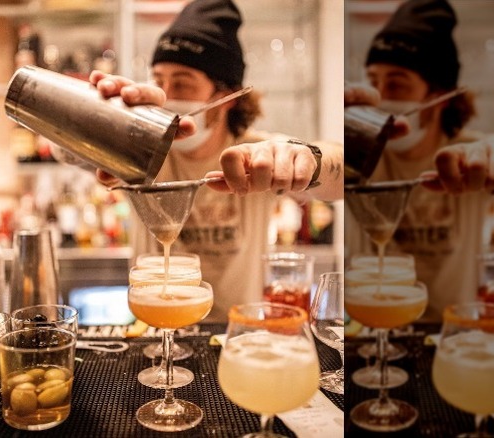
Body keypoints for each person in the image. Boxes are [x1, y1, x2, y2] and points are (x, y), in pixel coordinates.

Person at [63, 0, 344, 322]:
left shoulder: (256, 155)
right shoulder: (134, 151)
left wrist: (312, 159)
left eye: (182, 83)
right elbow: (63, 149)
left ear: (225, 97)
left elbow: (347, 170)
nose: (167, 95)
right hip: (154, 331)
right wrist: (98, 116)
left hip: (236, 335)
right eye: (158, 81)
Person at [346, 0, 494, 321]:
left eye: (397, 83)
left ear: (438, 96)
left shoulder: (470, 154)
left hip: (453, 332)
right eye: (373, 82)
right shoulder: (357, 155)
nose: (382, 95)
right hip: (371, 330)